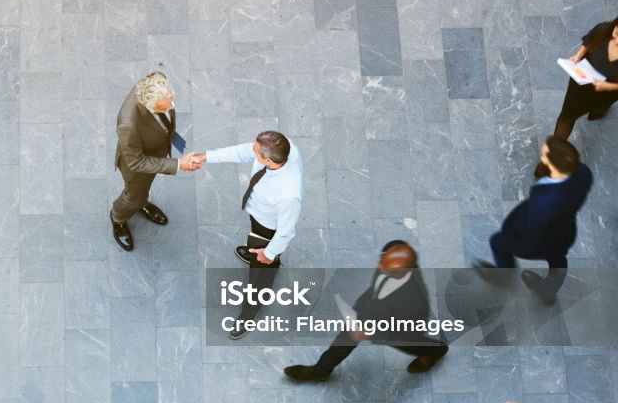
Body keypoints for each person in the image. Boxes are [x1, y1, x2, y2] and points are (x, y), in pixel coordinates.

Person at [284, 241, 448, 381]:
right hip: (376, 310)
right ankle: (320, 371)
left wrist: (371, 332)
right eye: (381, 261)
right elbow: (375, 289)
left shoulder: (414, 303)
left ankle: (435, 350)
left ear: (402, 272)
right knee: (348, 335)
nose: (379, 267)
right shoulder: (393, 256)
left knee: (408, 344)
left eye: (385, 268)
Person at [195, 131, 303, 339]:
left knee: (259, 275)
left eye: (256, 152)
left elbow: (286, 231)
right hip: (259, 217)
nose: (251, 151)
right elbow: (243, 151)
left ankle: (250, 312)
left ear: (269, 160)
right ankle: (261, 256)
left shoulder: (288, 194)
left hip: (269, 230)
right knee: (256, 244)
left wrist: (269, 252)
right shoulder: (282, 147)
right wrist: (206, 156)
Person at [473, 136, 592, 306]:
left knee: (497, 242)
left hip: (538, 237)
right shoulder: (583, 172)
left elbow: (531, 242)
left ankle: (506, 278)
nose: (541, 151)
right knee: (558, 260)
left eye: (544, 153)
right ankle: (548, 292)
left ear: (552, 163)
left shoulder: (544, 204)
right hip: (564, 232)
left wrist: (517, 246)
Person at [110, 72, 203, 252]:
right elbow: (136, 162)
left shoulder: (156, 80)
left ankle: (143, 203)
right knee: (132, 196)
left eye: (172, 102)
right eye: (162, 109)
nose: (170, 108)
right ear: (146, 104)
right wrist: (178, 164)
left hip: (155, 149)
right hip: (137, 166)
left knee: (144, 190)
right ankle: (118, 217)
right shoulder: (128, 125)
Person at [551, 17, 618, 141]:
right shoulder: (603, 30)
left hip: (609, 89)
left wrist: (608, 86)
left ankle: (599, 110)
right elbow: (590, 39)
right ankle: (556, 150)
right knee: (567, 116)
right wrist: (578, 55)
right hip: (582, 83)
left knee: (604, 103)